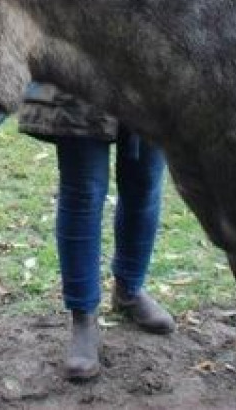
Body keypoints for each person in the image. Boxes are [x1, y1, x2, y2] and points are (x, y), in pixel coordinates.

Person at [18, 82, 175, 381]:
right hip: (81, 69)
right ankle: (83, 316)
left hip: (149, 74)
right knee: (83, 193)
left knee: (144, 185)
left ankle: (129, 290)